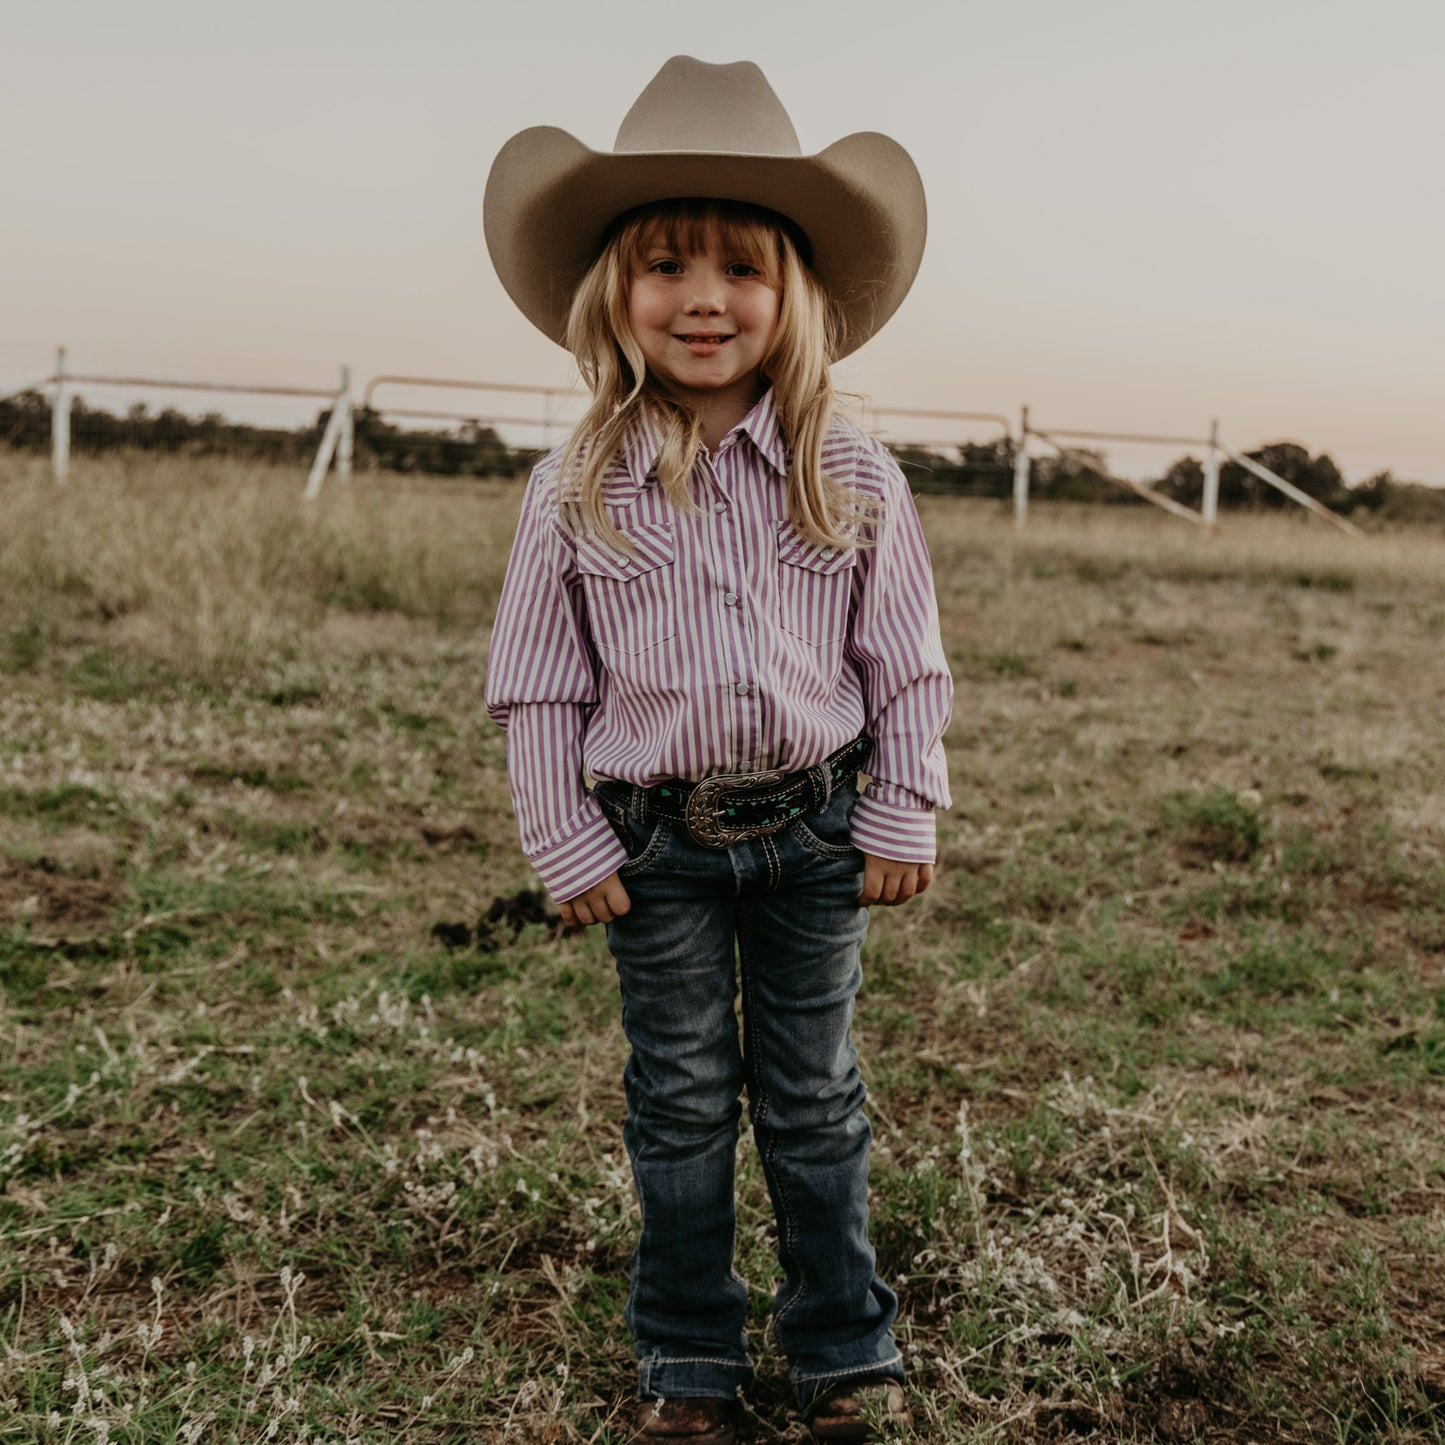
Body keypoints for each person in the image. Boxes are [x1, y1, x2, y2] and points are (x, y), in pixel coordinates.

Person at [483, 56, 953, 1445]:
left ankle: (840, 1349)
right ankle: (686, 1363)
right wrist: (562, 839)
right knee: (680, 1100)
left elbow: (903, 659)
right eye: (666, 265)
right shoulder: (572, 483)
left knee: (812, 1097)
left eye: (740, 268)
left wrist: (903, 809)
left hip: (815, 832)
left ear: (793, 296)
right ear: (611, 296)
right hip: (654, 843)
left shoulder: (851, 472)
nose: (702, 297)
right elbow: (535, 681)